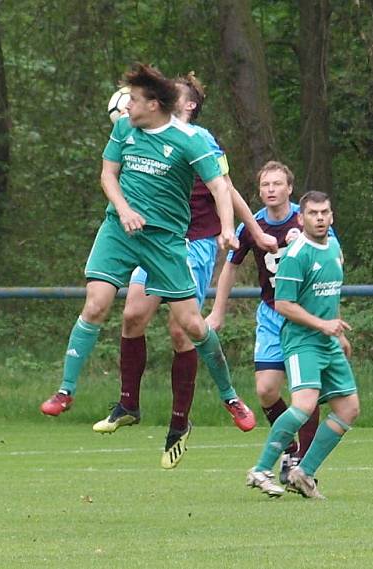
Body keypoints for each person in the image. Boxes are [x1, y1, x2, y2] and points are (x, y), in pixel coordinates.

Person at [39, 63, 249, 448]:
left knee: (191, 325)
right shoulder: (124, 129)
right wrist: (124, 209)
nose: (125, 107)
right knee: (97, 304)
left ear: (154, 104)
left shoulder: (191, 140)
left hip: (166, 241)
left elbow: (221, 187)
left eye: (133, 100)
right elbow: (107, 175)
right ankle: (66, 391)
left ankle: (230, 396)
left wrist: (225, 229)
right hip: (119, 231)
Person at [89, 73, 278, 469]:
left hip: (193, 242)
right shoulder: (144, 133)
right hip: (152, 239)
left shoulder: (200, 140)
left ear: (188, 105)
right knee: (133, 314)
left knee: (181, 329)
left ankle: (180, 424)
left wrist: (254, 231)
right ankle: (127, 404)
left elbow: (225, 188)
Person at [207, 161, 324, 484]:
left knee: (306, 391)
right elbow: (231, 267)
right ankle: (289, 448)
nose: (270, 190)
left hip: (305, 315)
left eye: (277, 184)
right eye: (265, 185)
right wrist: (218, 311)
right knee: (266, 390)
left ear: (289, 188)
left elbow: (330, 260)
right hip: (272, 316)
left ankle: (304, 465)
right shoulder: (252, 225)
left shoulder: (308, 219)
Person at [245, 191, 359, 499]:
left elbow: (330, 296)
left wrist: (338, 332)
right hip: (301, 341)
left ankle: (304, 473)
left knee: (348, 409)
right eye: (313, 213)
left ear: (332, 217)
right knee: (304, 406)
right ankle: (261, 469)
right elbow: (283, 304)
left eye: (324, 213)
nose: (319, 218)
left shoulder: (334, 248)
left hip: (327, 341)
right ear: (301, 218)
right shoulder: (297, 255)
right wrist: (323, 326)